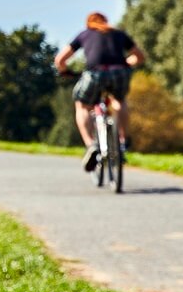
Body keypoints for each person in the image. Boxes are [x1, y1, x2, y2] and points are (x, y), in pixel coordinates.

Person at [53, 11, 146, 172]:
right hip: (119, 73)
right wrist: (125, 64)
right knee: (119, 100)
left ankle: (91, 145)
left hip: (95, 73)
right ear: (105, 21)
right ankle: (123, 141)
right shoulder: (119, 34)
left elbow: (60, 60)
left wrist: (65, 72)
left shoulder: (85, 34)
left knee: (81, 105)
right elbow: (139, 57)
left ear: (89, 23)